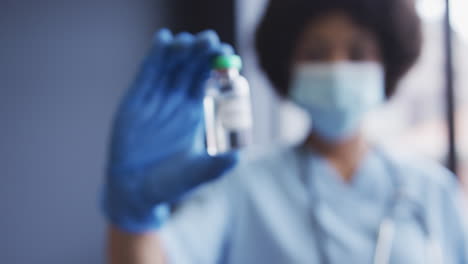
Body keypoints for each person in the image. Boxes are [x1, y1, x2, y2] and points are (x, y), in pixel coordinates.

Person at [102, 0, 468, 263]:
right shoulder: (238, 182)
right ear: (287, 66)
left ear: (387, 64)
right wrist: (134, 217)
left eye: (357, 53)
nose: (337, 69)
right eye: (316, 53)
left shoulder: (432, 191)